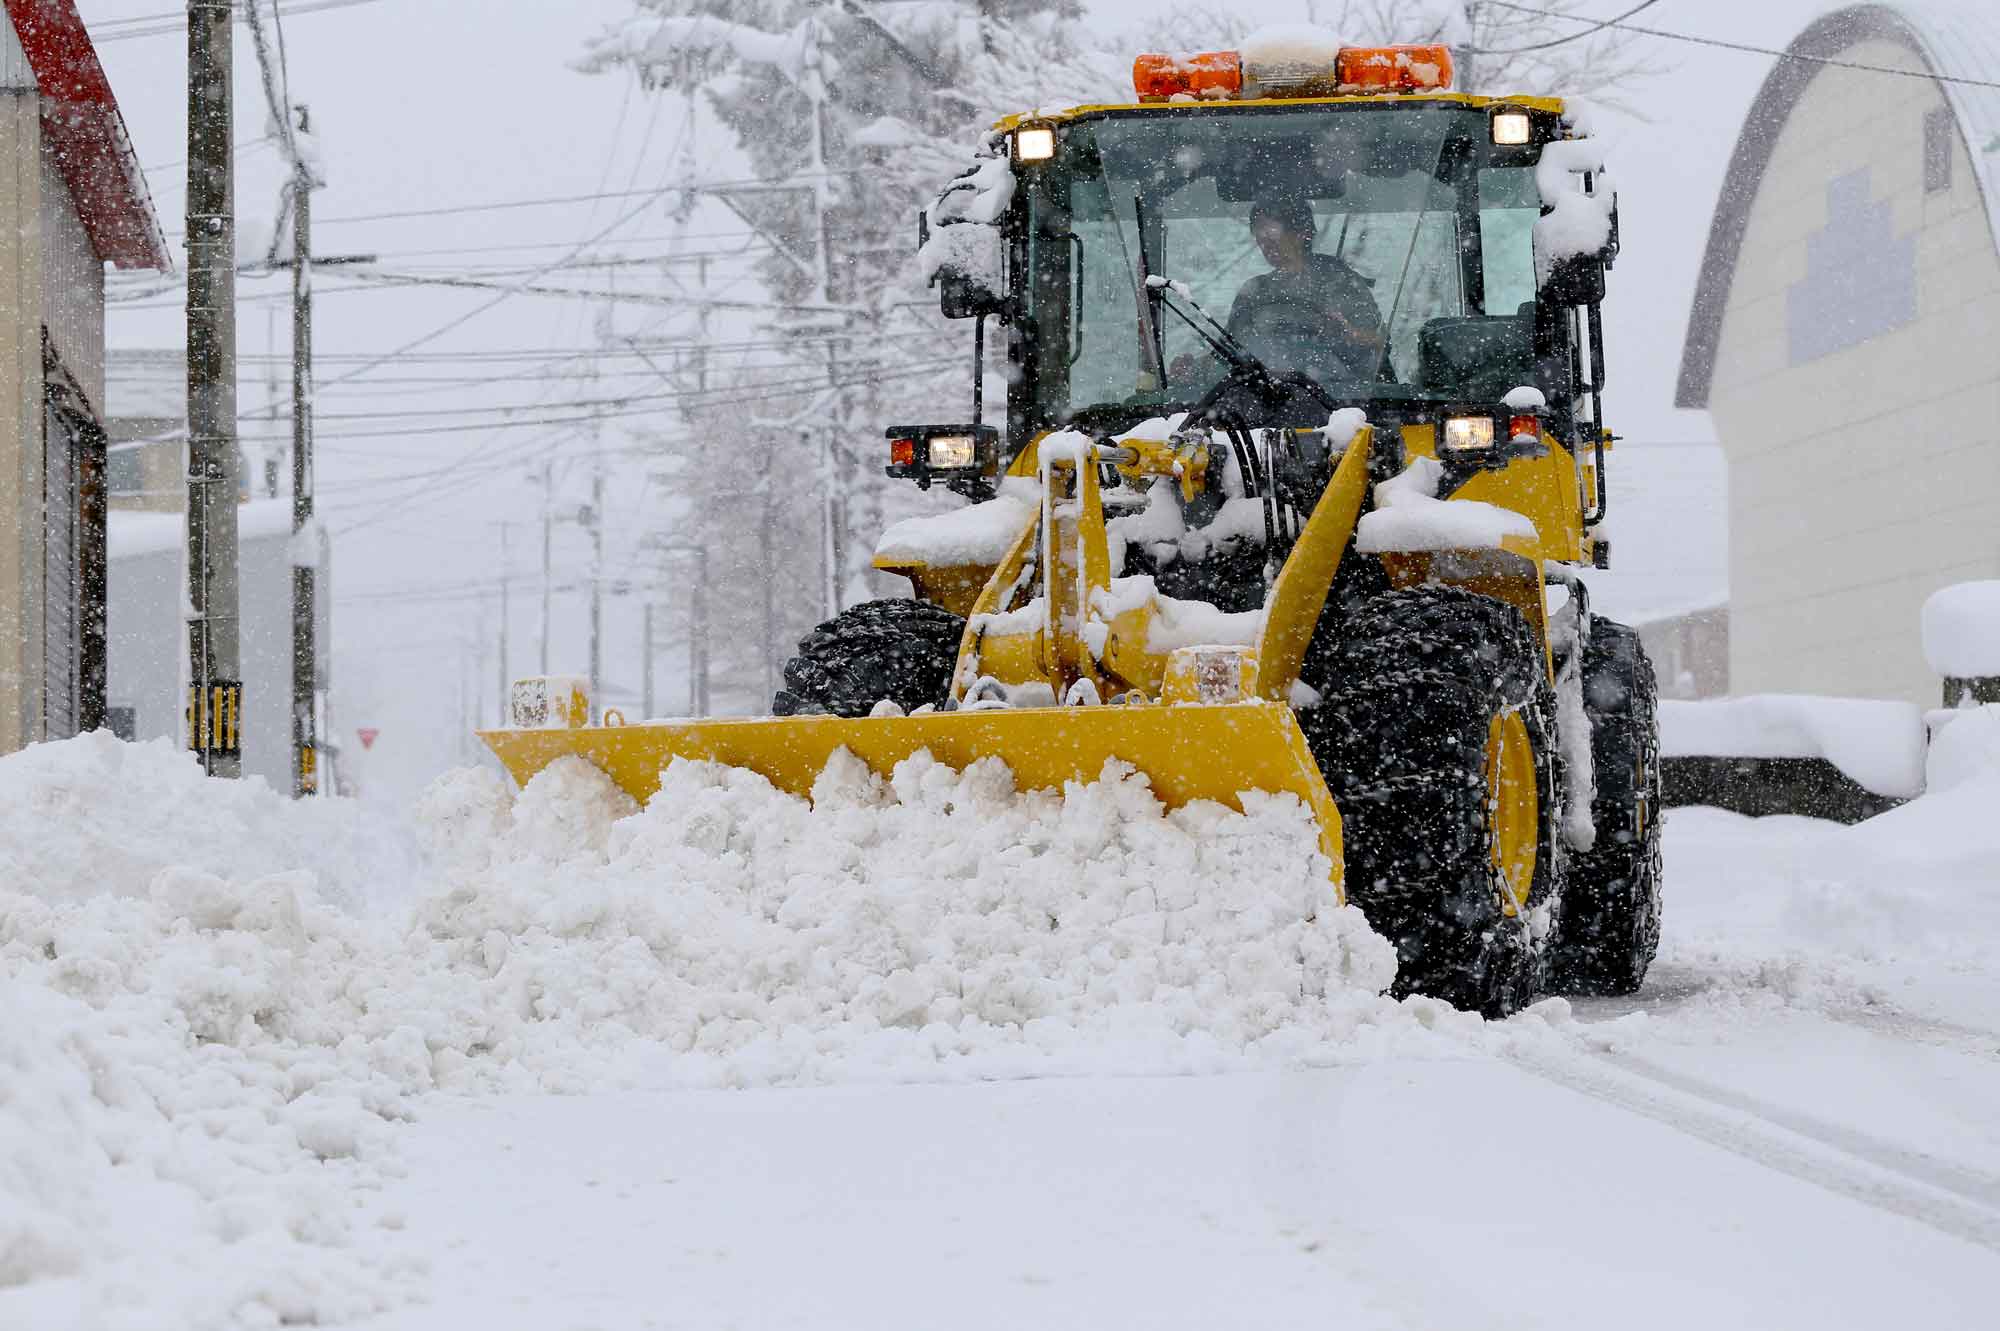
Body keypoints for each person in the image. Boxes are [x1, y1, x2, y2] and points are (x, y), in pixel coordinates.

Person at [1176, 196, 1386, 389]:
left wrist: (1347, 333)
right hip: (1262, 401)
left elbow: (1378, 342)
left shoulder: (1341, 281)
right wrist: (1195, 369)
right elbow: (1230, 353)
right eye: (1259, 237)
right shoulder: (1254, 292)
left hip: (1336, 397)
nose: (1265, 244)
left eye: (1272, 235)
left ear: (1303, 233)